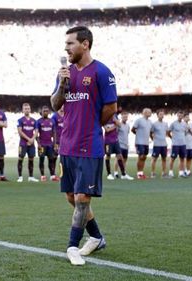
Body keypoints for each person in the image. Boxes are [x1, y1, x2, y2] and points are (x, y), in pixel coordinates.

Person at [50, 26, 117, 265]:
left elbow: (111, 107)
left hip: (89, 146)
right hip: (67, 145)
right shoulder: (64, 73)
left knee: (82, 199)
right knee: (71, 196)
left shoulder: (101, 71)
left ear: (85, 44)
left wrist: (91, 125)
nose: (66, 48)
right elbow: (55, 104)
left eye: (70, 44)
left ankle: (72, 246)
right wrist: (62, 85)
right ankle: (97, 237)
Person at [103, 115, 132, 180]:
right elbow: (107, 130)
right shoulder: (104, 119)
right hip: (108, 141)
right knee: (108, 156)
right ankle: (109, 174)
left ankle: (123, 174)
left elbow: (120, 125)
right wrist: (115, 125)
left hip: (115, 141)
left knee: (119, 156)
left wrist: (115, 121)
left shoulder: (114, 117)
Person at [16, 103, 39, 183]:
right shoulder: (20, 120)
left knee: (31, 159)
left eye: (28, 108)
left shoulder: (34, 121)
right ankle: (20, 176)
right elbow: (20, 132)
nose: (27, 110)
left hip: (31, 143)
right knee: (20, 159)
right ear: (23, 110)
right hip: (23, 144)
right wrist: (29, 139)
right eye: (25, 108)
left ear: (30, 109)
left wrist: (32, 139)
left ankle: (31, 176)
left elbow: (36, 131)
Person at [36, 105, 58, 182]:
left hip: (50, 144)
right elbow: (36, 134)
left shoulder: (52, 121)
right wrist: (38, 143)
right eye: (44, 111)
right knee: (41, 159)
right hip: (42, 144)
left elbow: (54, 132)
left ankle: (52, 175)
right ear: (41, 112)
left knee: (51, 159)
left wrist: (54, 143)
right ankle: (42, 175)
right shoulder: (38, 121)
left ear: (48, 112)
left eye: (47, 111)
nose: (45, 112)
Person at [132, 108, 152, 179]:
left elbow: (150, 132)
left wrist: (152, 138)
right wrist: (138, 135)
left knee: (144, 157)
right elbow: (133, 129)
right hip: (139, 142)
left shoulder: (150, 122)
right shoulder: (139, 120)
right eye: (149, 112)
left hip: (146, 142)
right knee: (141, 156)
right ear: (145, 113)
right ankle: (139, 173)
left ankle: (141, 172)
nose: (150, 113)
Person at [167, 111, 188, 178]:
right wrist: (171, 137)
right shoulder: (173, 124)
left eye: (181, 116)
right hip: (175, 144)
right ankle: (170, 172)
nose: (180, 117)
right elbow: (168, 132)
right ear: (177, 115)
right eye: (179, 115)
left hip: (183, 144)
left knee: (182, 159)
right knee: (173, 158)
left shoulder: (184, 124)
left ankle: (181, 172)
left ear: (183, 116)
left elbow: (185, 133)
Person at [150, 110, 169, 178]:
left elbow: (167, 133)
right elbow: (151, 133)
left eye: (163, 114)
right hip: (157, 144)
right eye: (160, 114)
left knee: (164, 159)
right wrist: (153, 139)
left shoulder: (165, 124)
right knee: (154, 159)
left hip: (164, 144)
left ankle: (164, 173)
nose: (162, 115)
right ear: (157, 115)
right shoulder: (154, 124)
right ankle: (152, 173)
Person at [115, 112, 130, 178]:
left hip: (126, 145)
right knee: (119, 159)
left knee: (125, 159)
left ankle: (123, 172)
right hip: (119, 145)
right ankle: (116, 172)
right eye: (124, 117)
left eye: (126, 117)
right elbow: (116, 134)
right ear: (121, 117)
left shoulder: (128, 126)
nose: (125, 118)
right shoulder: (119, 125)